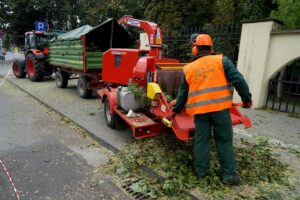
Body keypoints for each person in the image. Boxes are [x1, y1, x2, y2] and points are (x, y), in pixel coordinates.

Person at [168, 34, 252, 185]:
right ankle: (229, 176)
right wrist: (246, 98)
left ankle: (201, 173)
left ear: (195, 49)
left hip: (200, 113)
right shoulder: (222, 61)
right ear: (211, 48)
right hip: (221, 111)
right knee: (224, 141)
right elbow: (238, 80)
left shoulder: (188, 69)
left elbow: (182, 94)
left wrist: (175, 110)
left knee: (201, 141)